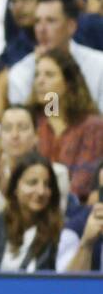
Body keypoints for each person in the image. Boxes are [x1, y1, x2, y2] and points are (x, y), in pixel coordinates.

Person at [0, 153, 78, 271]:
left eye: (47, 185)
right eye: (32, 183)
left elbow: (65, 285)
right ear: (15, 188)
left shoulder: (61, 235)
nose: (41, 191)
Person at [0, 0, 103, 118]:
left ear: (71, 26)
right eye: (37, 22)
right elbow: (31, 122)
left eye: (51, 21)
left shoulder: (99, 65)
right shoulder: (21, 72)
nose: (41, 29)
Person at [0, 103, 71, 219]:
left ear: (36, 135)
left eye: (22, 128)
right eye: (7, 128)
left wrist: (4, 187)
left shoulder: (57, 173)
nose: (14, 135)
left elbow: (48, 223)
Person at [31, 47, 103, 202]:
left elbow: (83, 181)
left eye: (49, 75)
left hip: (75, 209)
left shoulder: (92, 126)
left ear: (69, 83)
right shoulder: (31, 121)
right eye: (37, 74)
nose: (40, 81)